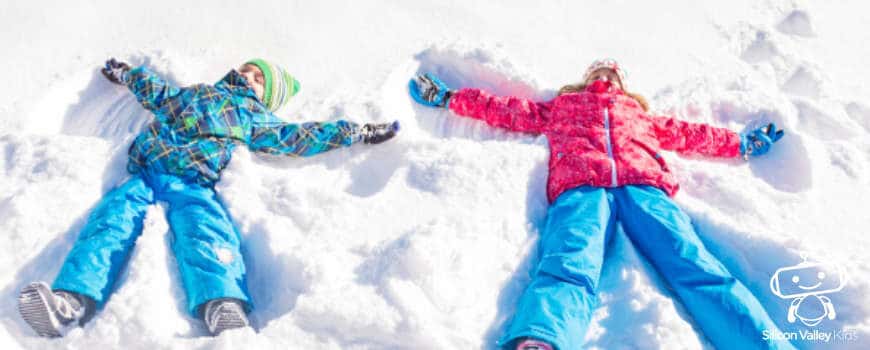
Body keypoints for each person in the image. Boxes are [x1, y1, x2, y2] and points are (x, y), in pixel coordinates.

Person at [409, 58, 791, 350]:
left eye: (613, 73)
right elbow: (508, 110)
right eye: (599, 72)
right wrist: (451, 98)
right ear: (586, 79)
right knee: (570, 262)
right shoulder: (563, 106)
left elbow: (690, 134)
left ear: (623, 85)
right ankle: (542, 338)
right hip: (581, 186)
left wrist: (741, 144)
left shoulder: (639, 114)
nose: (605, 77)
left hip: (645, 187)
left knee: (693, 263)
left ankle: (760, 342)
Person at [18, 58, 400, 337]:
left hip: (194, 183)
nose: (249, 76)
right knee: (107, 226)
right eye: (249, 70)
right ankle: (69, 303)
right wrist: (126, 73)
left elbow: (300, 136)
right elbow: (154, 91)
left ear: (268, 98)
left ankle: (224, 304)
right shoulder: (195, 94)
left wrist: (357, 132)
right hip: (146, 174)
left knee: (207, 233)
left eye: (260, 80)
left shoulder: (254, 117)